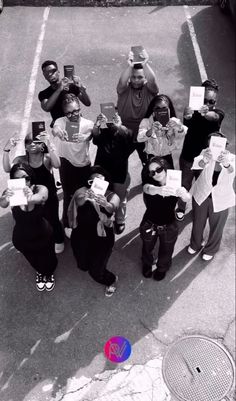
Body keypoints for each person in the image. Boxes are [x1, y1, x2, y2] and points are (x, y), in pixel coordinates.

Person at [3, 132, 65, 253]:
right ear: (25, 146)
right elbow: (7, 169)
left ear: (41, 145)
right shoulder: (20, 160)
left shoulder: (46, 158)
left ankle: (59, 239)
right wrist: (6, 150)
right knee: (36, 220)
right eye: (28, 142)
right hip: (29, 196)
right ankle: (42, 238)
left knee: (53, 219)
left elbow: (57, 164)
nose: (32, 144)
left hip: (48, 196)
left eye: (36, 142)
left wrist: (49, 143)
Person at [0, 163, 58, 291]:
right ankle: (40, 272)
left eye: (26, 178)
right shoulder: (10, 191)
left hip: (43, 234)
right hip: (22, 237)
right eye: (17, 179)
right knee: (32, 258)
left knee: (49, 257)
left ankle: (49, 274)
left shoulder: (39, 188)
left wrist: (29, 196)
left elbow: (42, 197)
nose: (23, 182)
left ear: (31, 177)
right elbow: (2, 204)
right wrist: (5, 197)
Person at [176, 79, 225, 221]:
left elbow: (214, 117)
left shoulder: (218, 114)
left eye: (212, 101)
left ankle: (199, 210)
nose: (209, 104)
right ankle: (180, 207)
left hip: (206, 160)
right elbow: (187, 122)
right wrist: (186, 115)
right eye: (206, 100)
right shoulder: (192, 110)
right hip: (188, 158)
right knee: (184, 185)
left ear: (216, 101)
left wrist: (205, 113)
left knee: (202, 187)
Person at [68, 166, 120, 297]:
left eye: (100, 181)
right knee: (82, 264)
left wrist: (105, 203)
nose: (96, 184)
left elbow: (113, 207)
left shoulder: (111, 195)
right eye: (92, 182)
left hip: (102, 237)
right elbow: (77, 202)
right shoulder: (82, 192)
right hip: (81, 235)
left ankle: (111, 279)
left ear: (106, 182)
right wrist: (86, 197)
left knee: (96, 271)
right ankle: (87, 264)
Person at [140, 156, 190, 280]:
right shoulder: (150, 183)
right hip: (149, 223)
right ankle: (147, 263)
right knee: (147, 247)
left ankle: (162, 268)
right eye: (152, 172)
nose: (156, 173)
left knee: (167, 250)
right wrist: (158, 190)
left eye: (159, 169)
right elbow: (146, 189)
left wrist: (184, 194)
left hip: (169, 224)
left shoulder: (176, 182)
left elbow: (187, 197)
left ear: (165, 167)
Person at [187, 132, 235, 261]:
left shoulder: (232, 158)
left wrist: (226, 164)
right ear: (209, 144)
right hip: (202, 195)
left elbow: (232, 170)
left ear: (225, 144)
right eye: (212, 142)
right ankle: (195, 244)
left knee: (217, 226)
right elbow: (196, 165)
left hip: (221, 200)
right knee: (198, 222)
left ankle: (211, 249)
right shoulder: (205, 152)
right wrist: (204, 160)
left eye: (220, 142)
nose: (215, 145)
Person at [52, 93, 94, 237]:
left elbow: (94, 135)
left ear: (80, 108)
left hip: (83, 165)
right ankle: (67, 223)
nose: (73, 115)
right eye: (68, 113)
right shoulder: (60, 121)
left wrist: (86, 137)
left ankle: (84, 220)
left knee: (84, 195)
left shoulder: (88, 124)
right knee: (68, 195)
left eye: (76, 111)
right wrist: (57, 132)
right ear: (64, 113)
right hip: (66, 164)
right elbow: (55, 128)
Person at [92, 112, 134, 234]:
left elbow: (130, 147)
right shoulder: (104, 132)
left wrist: (119, 127)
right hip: (102, 174)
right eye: (110, 115)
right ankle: (104, 215)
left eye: (116, 116)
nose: (113, 118)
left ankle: (120, 220)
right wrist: (97, 125)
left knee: (120, 200)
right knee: (101, 196)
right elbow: (95, 138)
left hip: (119, 175)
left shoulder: (126, 133)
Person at [117, 48, 159, 165]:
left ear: (145, 78)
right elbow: (122, 81)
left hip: (145, 134)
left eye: (140, 77)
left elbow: (152, 80)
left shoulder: (150, 90)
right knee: (120, 160)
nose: (136, 80)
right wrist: (130, 66)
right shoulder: (123, 90)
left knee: (147, 162)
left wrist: (145, 63)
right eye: (133, 77)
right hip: (125, 133)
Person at [137, 94, 187, 168]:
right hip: (152, 158)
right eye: (157, 108)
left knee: (168, 178)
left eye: (164, 108)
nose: (161, 111)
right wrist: (151, 130)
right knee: (152, 177)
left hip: (168, 158)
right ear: (153, 109)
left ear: (169, 109)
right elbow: (139, 138)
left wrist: (178, 127)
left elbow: (184, 132)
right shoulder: (146, 121)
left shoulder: (174, 121)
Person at [38, 60, 91, 127]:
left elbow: (87, 103)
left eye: (53, 71)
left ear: (58, 71)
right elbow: (47, 107)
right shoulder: (44, 93)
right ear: (44, 76)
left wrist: (82, 90)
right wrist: (59, 89)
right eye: (46, 73)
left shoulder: (71, 86)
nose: (50, 74)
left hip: (75, 124)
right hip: (60, 128)